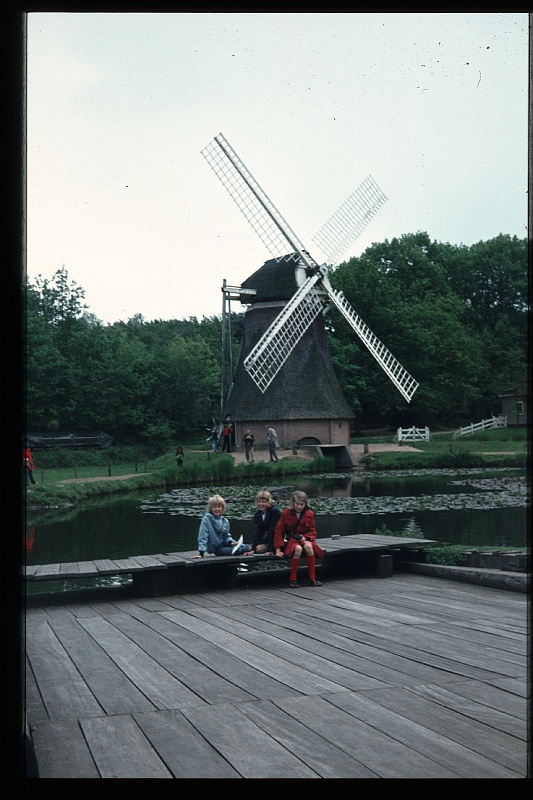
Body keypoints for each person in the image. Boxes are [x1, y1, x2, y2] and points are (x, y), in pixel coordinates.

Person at [274, 490, 325, 587]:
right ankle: (293, 579)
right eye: (297, 504)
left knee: (309, 547)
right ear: (293, 503)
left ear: (305, 504)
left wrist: (305, 538)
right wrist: (278, 549)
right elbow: (278, 532)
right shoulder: (285, 513)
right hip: (291, 540)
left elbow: (312, 531)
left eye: (301, 504)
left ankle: (313, 578)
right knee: (298, 549)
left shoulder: (309, 514)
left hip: (305, 538)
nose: (299, 507)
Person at [191, 494, 253, 558]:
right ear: (211, 508)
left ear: (222, 508)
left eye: (219, 507)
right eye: (214, 507)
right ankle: (248, 550)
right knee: (238, 550)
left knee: (245, 546)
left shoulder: (225, 521)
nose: (217, 509)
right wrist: (201, 553)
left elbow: (226, 536)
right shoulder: (206, 519)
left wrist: (231, 542)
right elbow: (203, 536)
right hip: (217, 549)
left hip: (225, 545)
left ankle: (250, 549)